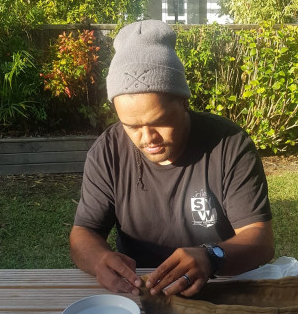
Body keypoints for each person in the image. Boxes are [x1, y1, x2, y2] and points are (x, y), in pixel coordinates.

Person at [70, 20, 274, 298]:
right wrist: (99, 260)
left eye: (160, 121)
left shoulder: (229, 145)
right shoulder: (107, 152)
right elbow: (84, 232)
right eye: (131, 126)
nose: (147, 138)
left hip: (218, 289)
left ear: (184, 103)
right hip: (141, 296)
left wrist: (212, 256)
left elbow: (260, 240)